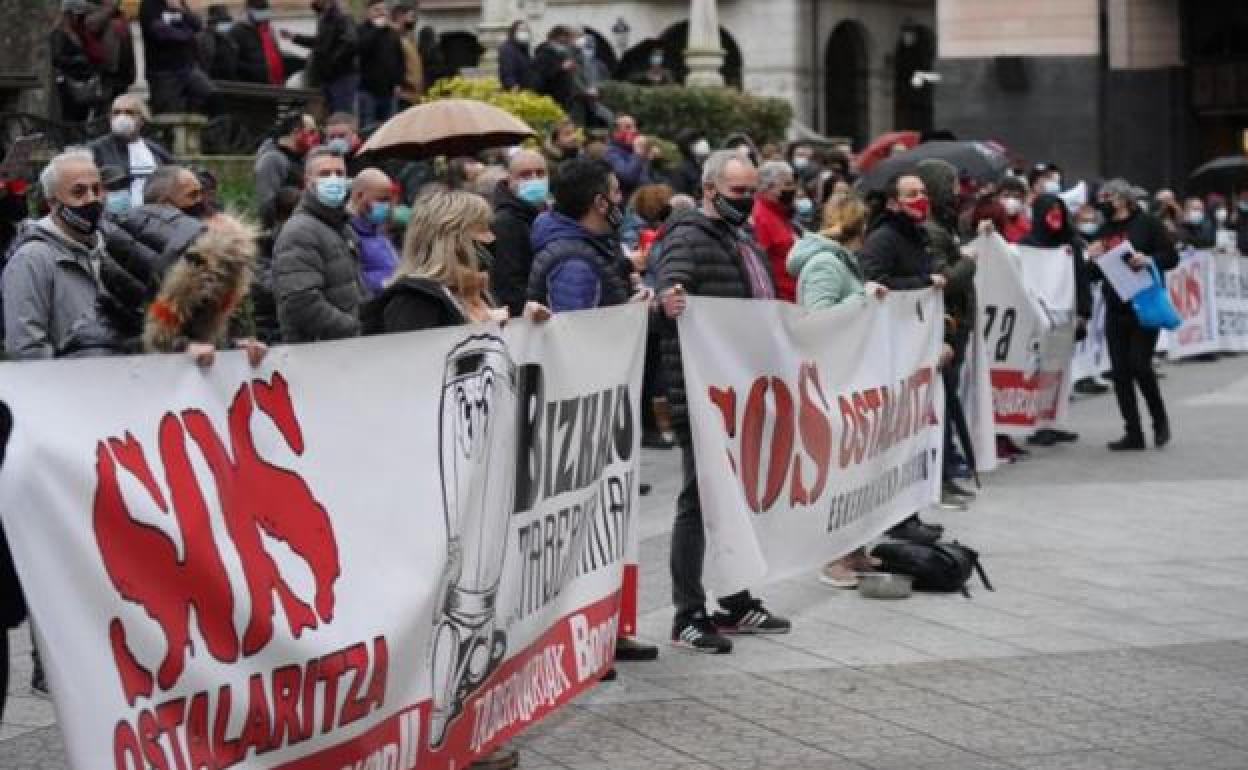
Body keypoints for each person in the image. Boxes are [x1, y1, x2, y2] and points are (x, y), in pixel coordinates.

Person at [655, 150, 791, 654]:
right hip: (702, 392)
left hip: (737, 391)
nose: (748, 200)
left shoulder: (739, 236)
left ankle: (734, 601)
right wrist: (664, 301)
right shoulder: (689, 236)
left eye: (752, 191)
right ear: (710, 190)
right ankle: (687, 613)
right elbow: (669, 291)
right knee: (696, 501)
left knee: (731, 498)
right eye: (739, 192)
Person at [787, 196, 887, 588]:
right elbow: (817, 319)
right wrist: (862, 298)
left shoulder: (842, 263)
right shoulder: (825, 265)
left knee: (857, 469)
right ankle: (832, 556)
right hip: (830, 381)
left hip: (848, 377)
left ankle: (854, 549)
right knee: (839, 472)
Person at [858, 172, 948, 545]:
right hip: (891, 352)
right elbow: (874, 284)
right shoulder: (883, 238)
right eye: (912, 194)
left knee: (912, 434)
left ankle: (908, 512)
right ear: (893, 202)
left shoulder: (918, 235)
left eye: (923, 192)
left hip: (913, 348)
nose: (920, 199)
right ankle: (896, 516)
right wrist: (924, 285)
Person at [3, 149, 122, 358]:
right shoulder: (32, 259)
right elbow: (26, 347)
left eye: (96, 189)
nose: (92, 199)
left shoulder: (112, 249)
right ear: (52, 202)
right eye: (78, 192)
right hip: (66, 385)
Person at [1087, 178, 1177, 450]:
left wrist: (1148, 260)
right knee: (1120, 372)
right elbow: (1093, 274)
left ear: (1124, 199)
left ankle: (1159, 419)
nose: (1106, 203)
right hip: (1116, 306)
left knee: (1140, 365)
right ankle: (1133, 432)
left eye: (1110, 198)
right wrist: (1091, 258)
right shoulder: (1103, 230)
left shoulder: (1148, 223)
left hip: (1144, 303)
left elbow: (1171, 257)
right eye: (1103, 199)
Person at [914, 158, 979, 509]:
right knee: (945, 399)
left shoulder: (946, 225)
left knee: (951, 397)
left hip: (955, 326)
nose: (957, 192)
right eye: (952, 185)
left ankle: (950, 466)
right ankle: (943, 474)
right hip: (946, 328)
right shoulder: (934, 231)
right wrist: (968, 261)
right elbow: (946, 280)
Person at [141, 213, 266, 367]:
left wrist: (237, 347)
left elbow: (214, 335)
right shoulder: (191, 272)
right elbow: (156, 337)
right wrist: (185, 347)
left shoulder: (233, 280)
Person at [1021, 192, 1094, 445]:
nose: (1055, 215)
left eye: (1058, 209)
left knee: (1060, 373)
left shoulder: (1072, 244)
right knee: (1040, 372)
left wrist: (1085, 313)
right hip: (1038, 318)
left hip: (1065, 316)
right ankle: (1038, 425)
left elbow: (1081, 280)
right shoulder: (1027, 244)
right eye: (1049, 209)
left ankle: (1055, 421)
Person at [273, 147, 363, 343]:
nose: (334, 179)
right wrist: (354, 329)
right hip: (319, 354)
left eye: (339, 173)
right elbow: (301, 302)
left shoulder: (343, 228)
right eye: (324, 174)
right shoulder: (300, 232)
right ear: (307, 183)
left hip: (348, 351)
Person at [527, 157, 639, 313]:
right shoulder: (573, 263)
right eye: (616, 191)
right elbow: (578, 331)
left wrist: (635, 308)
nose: (620, 198)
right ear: (601, 203)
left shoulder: (587, 245)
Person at [488, 150, 548, 317]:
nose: (535, 179)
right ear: (510, 180)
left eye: (540, 173)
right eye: (525, 175)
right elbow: (509, 285)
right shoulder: (505, 223)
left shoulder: (548, 214)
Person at [88, 94, 173, 207]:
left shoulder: (155, 150)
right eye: (116, 112)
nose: (122, 117)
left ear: (142, 119)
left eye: (129, 112)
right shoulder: (95, 149)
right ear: (110, 117)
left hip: (154, 215)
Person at [283, 0, 359, 115]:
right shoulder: (324, 17)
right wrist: (295, 38)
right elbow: (320, 43)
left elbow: (350, 43)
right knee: (327, 114)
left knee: (342, 115)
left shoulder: (342, 17)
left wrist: (331, 62)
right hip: (327, 76)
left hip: (341, 76)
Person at [139, 0, 215, 114]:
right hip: (163, 72)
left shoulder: (179, 3)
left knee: (213, 97)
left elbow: (198, 25)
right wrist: (189, 35)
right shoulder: (150, 5)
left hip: (188, 68)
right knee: (169, 114)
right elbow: (161, 33)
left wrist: (181, 10)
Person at [50, 1, 110, 122]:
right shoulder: (59, 34)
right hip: (68, 84)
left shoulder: (80, 31)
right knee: (70, 117)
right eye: (79, 15)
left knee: (83, 117)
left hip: (83, 83)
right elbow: (57, 59)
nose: (82, 18)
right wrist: (78, 60)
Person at [255, 113, 317, 230]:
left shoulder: (300, 157)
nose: (315, 137)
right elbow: (267, 204)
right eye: (311, 132)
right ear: (296, 131)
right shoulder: (272, 159)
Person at [751, 160, 800, 301]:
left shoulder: (779, 212)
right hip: (779, 300)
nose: (793, 189)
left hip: (791, 296)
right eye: (787, 184)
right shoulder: (760, 216)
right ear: (768, 187)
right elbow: (759, 266)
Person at [348, 168, 399, 297]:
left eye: (388, 200)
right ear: (359, 196)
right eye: (381, 200)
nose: (386, 206)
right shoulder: (346, 233)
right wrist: (388, 282)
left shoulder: (376, 229)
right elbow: (348, 281)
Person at [357, 0, 405, 124]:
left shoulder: (392, 33)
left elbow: (400, 59)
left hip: (390, 91)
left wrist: (398, 82)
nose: (381, 13)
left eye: (384, 10)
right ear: (368, 12)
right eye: (377, 10)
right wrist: (376, 29)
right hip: (368, 90)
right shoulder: (362, 30)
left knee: (391, 125)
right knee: (368, 126)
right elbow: (362, 49)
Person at [230, 0, 286, 85]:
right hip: (255, 86)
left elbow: (274, 53)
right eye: (259, 10)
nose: (263, 14)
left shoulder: (268, 29)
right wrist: (254, 70)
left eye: (265, 10)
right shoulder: (237, 32)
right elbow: (232, 62)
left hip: (276, 84)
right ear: (249, 10)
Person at [534, 26, 581, 119]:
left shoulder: (562, 53)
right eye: (567, 38)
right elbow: (543, 75)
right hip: (553, 99)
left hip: (565, 100)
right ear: (559, 37)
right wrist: (562, 68)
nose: (568, 42)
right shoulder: (544, 53)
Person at [605, 115, 651, 198]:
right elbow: (628, 177)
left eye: (635, 126)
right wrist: (638, 154)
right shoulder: (611, 152)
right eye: (628, 127)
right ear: (615, 133)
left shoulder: (632, 149)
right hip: (627, 202)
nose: (634, 130)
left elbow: (646, 179)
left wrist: (649, 160)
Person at [198, 4, 239, 81]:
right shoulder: (203, 38)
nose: (225, 25)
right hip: (213, 80)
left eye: (226, 21)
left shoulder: (230, 37)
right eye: (221, 22)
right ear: (212, 23)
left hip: (231, 80)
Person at [393, 3, 423, 108]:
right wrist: (403, 83)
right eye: (410, 17)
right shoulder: (393, 38)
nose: (413, 21)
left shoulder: (410, 38)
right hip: (403, 93)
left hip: (414, 93)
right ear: (400, 17)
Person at [499, 20, 535, 90]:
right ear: (514, 32)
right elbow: (507, 71)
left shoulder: (524, 48)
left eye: (526, 30)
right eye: (521, 30)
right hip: (515, 90)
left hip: (526, 88)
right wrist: (512, 85)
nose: (524, 33)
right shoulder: (508, 49)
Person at [997, 176, 1031, 243]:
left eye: (1016, 197)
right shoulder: (987, 223)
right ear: (997, 197)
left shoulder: (1027, 228)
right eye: (1006, 195)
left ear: (1022, 200)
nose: (1011, 200)